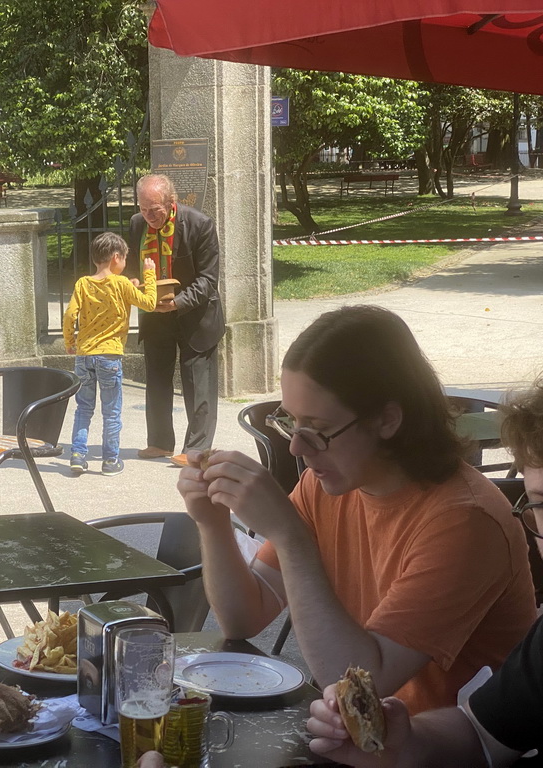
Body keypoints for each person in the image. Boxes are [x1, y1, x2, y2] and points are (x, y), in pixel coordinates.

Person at [177, 305, 536, 715]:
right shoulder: (328, 482)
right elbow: (243, 619)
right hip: (362, 741)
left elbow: (360, 686)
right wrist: (213, 523)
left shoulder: (464, 519)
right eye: (290, 421)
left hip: (443, 749)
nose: (296, 446)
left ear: (387, 420)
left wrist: (290, 537)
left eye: (318, 429)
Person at [306, 374, 543, 768]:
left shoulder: (465, 517)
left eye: (321, 429)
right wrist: (407, 741)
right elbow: (482, 732)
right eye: (541, 504)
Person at [129, 173, 224, 465]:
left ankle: (195, 450)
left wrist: (178, 302)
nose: (148, 216)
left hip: (195, 315)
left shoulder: (200, 225)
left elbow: (208, 280)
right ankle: (159, 442)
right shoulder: (137, 224)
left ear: (172, 202)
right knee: (157, 380)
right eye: (143, 209)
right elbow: (133, 263)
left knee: (198, 384)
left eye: (154, 209)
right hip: (154, 313)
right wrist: (132, 281)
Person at [63, 232, 157, 477]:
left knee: (83, 408)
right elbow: (149, 302)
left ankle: (77, 455)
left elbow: (70, 315)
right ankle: (110, 460)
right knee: (111, 411)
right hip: (110, 356)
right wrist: (149, 274)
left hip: (84, 355)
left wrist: (69, 342)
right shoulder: (122, 283)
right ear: (116, 257)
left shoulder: (83, 283)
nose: (125, 263)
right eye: (125, 258)